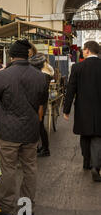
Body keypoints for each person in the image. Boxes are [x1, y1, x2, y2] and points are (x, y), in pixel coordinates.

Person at [0, 39, 48, 215]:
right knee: (30, 169)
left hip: (8, 131)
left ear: (11, 56)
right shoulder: (39, 75)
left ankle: (6, 209)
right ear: (27, 55)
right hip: (31, 130)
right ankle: (26, 209)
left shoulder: (4, 75)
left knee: (9, 169)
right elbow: (42, 101)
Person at [63, 41, 101, 182]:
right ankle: (96, 166)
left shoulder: (77, 67)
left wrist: (66, 109)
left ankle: (87, 162)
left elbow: (71, 90)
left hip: (83, 109)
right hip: (99, 109)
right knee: (97, 136)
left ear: (87, 51)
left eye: (83, 50)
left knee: (85, 135)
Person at [29, 53, 54, 157]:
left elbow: (42, 93)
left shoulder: (43, 75)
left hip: (40, 104)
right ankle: (42, 147)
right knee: (39, 126)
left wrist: (39, 108)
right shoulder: (45, 73)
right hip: (41, 103)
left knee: (39, 125)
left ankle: (45, 149)